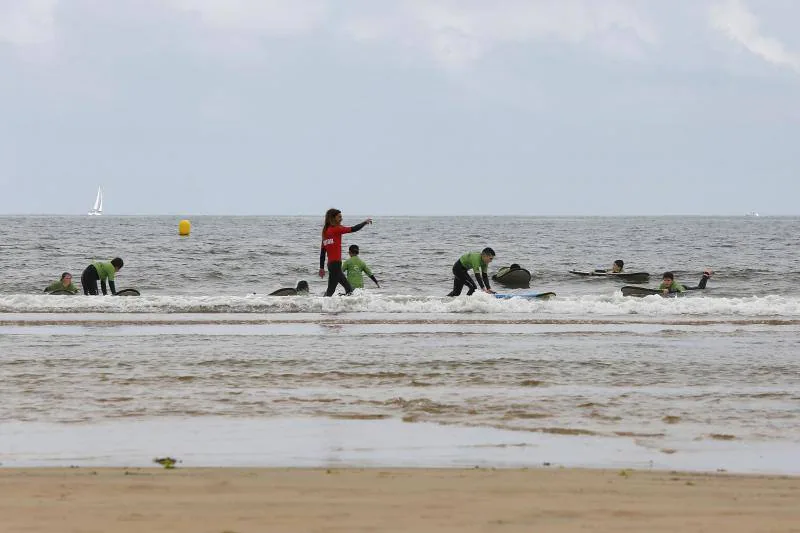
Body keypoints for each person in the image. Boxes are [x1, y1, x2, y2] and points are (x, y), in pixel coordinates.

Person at [319, 209, 372, 297]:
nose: (341, 219)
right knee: (347, 290)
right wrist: (365, 222)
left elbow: (322, 253)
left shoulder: (325, 233)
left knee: (332, 291)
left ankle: (324, 306)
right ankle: (341, 307)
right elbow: (353, 229)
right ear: (333, 218)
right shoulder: (336, 229)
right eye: (339, 217)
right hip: (335, 265)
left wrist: (321, 268)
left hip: (331, 266)